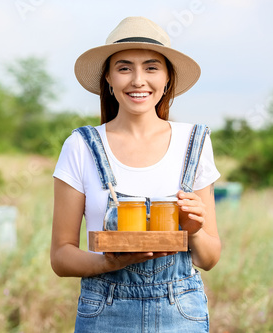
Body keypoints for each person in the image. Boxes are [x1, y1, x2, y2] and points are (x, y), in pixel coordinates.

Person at [50, 17, 221, 332]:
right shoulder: (81, 146)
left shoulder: (193, 142)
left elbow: (209, 259)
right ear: (109, 78)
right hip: (105, 311)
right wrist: (108, 262)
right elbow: (61, 257)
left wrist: (195, 231)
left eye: (152, 67)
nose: (138, 80)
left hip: (180, 311)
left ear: (168, 78)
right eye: (124, 67)